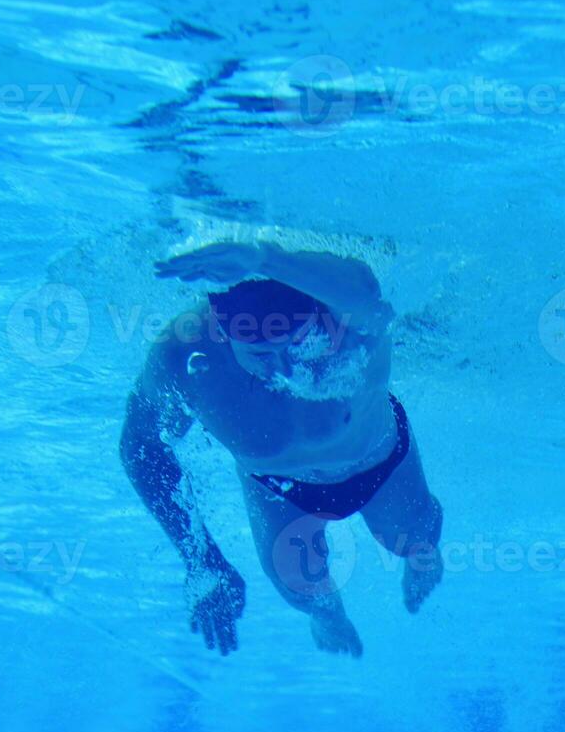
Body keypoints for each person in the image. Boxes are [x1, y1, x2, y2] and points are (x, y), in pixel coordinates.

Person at [119, 241, 444, 658]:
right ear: (222, 331)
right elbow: (139, 445)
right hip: (277, 488)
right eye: (259, 355)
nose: (285, 368)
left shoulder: (349, 319)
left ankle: (421, 561)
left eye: (298, 344)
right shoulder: (182, 355)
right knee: (305, 594)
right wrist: (201, 560)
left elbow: (365, 287)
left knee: (415, 541)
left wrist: (262, 259)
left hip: (380, 461)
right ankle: (331, 620)